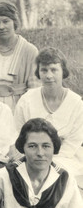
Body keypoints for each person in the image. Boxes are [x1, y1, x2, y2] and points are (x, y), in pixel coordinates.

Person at [14, 47, 83, 181]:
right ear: (38, 73)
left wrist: (47, 162)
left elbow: (73, 142)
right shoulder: (26, 100)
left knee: (56, 176)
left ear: (63, 72)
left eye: (54, 70)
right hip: (31, 157)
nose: (48, 75)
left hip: (67, 159)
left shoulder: (77, 104)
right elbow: (18, 133)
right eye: (44, 70)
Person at [0, 1, 39, 110]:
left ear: (14, 22)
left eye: (5, 21)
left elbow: (35, 89)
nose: (1, 27)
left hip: (18, 107)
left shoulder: (30, 51)